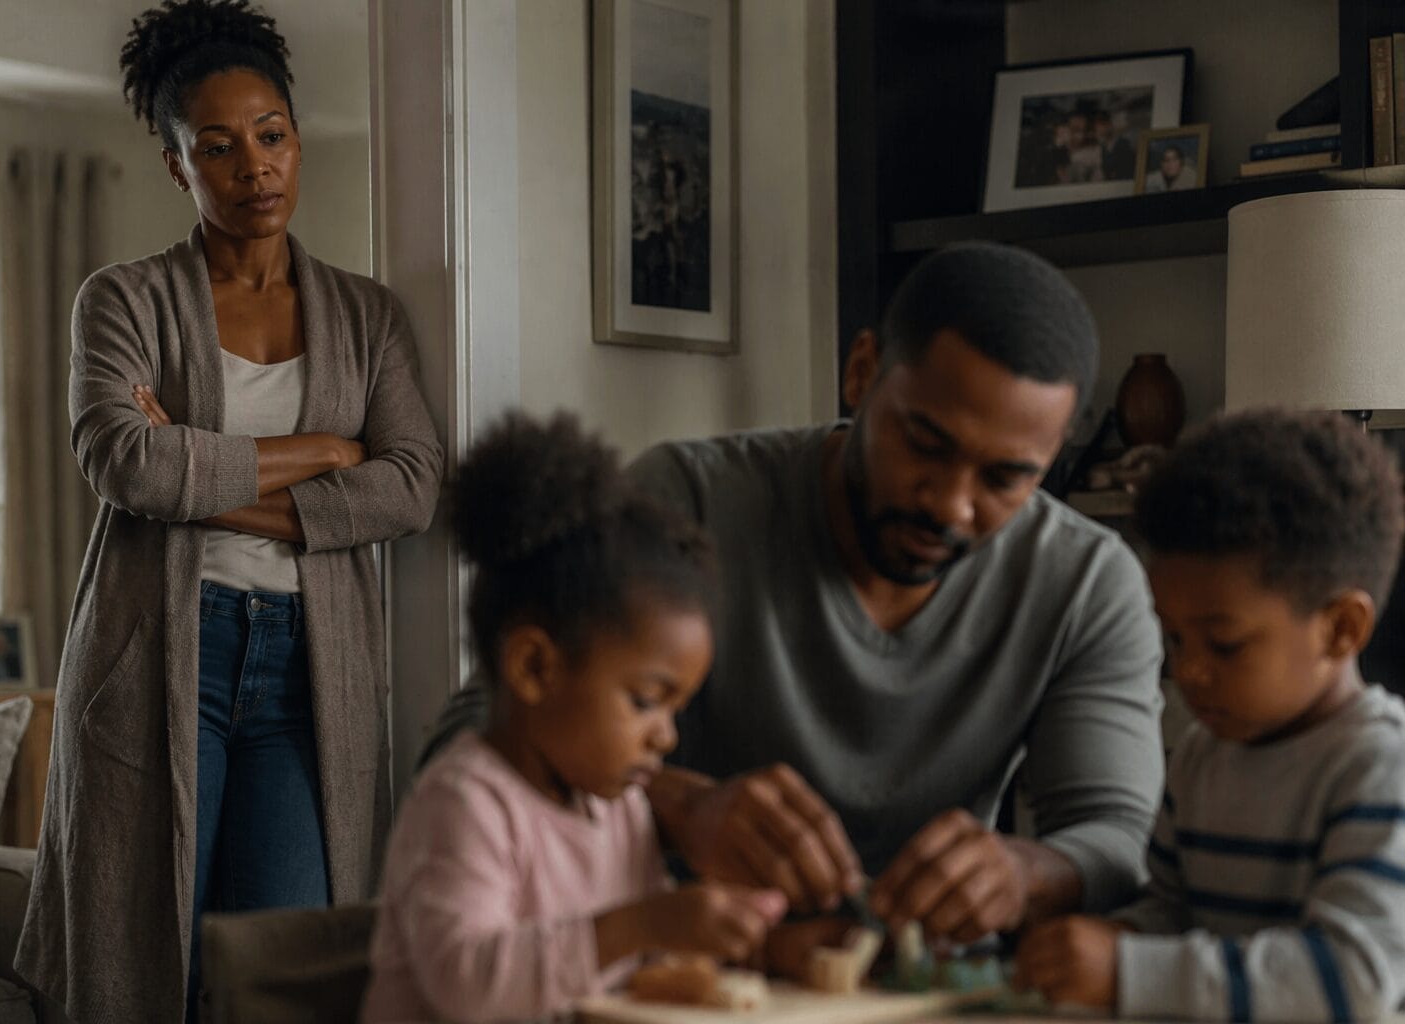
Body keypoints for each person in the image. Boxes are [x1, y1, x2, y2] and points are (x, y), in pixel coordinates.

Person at [429, 243, 1165, 957]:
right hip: (680, 978)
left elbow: (1116, 838)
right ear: (861, 370)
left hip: (927, 988)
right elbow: (469, 747)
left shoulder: (1087, 583)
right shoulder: (688, 505)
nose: (950, 505)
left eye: (1005, 479)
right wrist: (679, 808)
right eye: (926, 444)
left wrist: (1023, 873)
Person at [14, 2, 444, 1020]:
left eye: (272, 135)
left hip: (308, 678)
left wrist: (208, 483)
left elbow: (413, 481)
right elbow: (126, 464)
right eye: (217, 146)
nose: (254, 167)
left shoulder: (367, 315)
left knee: (285, 974)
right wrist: (329, 457)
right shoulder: (122, 302)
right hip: (158, 659)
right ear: (176, 165)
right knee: (143, 966)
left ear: (296, 136)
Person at [360, 413, 785, 1023]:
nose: (666, 736)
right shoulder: (465, 804)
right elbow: (468, 983)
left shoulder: (618, 806)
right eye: (645, 701)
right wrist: (642, 924)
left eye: (676, 709)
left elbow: (639, 960)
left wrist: (720, 938)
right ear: (535, 668)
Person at [1015, 410, 1405, 1021]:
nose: (1189, 673)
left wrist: (1128, 971)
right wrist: (1108, 940)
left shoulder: (1380, 768)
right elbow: (1171, 914)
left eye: (1225, 645)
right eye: (1175, 639)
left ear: (1340, 629)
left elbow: (1353, 980)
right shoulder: (1202, 755)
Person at [1095, 111, 1136, 181]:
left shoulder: (1123, 144)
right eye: (1097, 126)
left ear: (1109, 124)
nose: (1099, 129)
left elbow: (1128, 168)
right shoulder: (1103, 147)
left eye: (1102, 125)